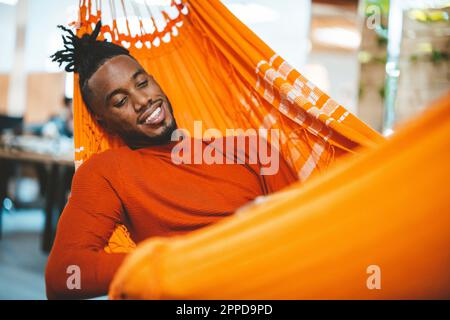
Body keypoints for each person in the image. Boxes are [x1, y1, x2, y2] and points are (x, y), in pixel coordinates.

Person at [45, 22, 297, 299]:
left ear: (155, 80)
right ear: (103, 120)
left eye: (142, 83)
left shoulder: (251, 148)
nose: (143, 101)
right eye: (120, 101)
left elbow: (306, 226)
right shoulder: (109, 171)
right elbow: (62, 277)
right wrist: (180, 261)